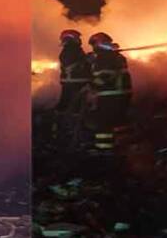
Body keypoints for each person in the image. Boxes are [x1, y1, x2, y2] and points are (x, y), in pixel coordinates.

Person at [85, 32, 133, 160]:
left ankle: (104, 150)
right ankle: (123, 146)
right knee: (118, 120)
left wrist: (91, 86)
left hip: (110, 95)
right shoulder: (116, 56)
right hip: (122, 94)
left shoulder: (104, 57)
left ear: (98, 43)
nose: (93, 48)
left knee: (103, 123)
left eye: (93, 45)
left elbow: (104, 77)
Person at [54, 30, 92, 147]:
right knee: (75, 107)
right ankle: (71, 131)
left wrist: (87, 58)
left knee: (67, 106)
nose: (79, 39)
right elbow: (74, 65)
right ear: (71, 39)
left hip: (72, 83)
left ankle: (61, 129)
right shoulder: (71, 50)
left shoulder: (72, 50)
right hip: (75, 83)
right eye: (77, 37)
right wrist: (87, 60)